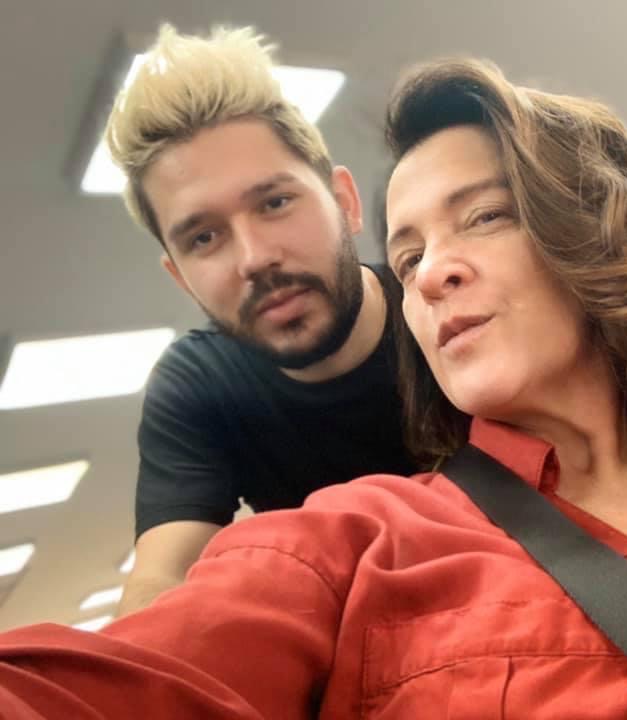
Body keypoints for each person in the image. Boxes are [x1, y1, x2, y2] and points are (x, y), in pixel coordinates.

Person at [1, 58, 627, 720]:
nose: (431, 274)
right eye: (410, 253)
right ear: (177, 275)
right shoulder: (345, 531)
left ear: (340, 202)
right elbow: (157, 628)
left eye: (487, 218)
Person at [105, 25, 416, 615]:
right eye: (204, 237)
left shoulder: (442, 302)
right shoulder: (198, 384)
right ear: (181, 277)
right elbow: (160, 579)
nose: (253, 259)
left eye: (275, 203)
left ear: (345, 203)